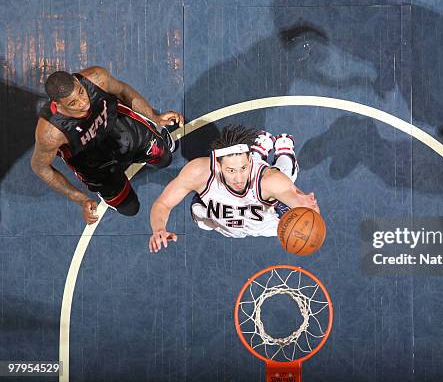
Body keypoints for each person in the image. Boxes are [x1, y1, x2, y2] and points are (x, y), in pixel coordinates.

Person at [31, 66, 184, 224]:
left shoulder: (97, 78)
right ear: (58, 104)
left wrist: (155, 116)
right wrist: (80, 199)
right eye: (73, 103)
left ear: (77, 80)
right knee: (130, 209)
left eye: (81, 92)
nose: (84, 103)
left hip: (119, 126)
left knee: (164, 158)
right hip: (90, 158)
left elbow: (123, 91)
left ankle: (157, 132)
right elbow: (40, 167)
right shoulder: (51, 133)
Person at [148, 125, 319, 253]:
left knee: (286, 176)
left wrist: (307, 208)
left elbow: (298, 201)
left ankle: (285, 150)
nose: (238, 178)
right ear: (217, 164)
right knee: (199, 214)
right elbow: (163, 204)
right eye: (231, 170)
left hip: (266, 224)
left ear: (250, 161)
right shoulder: (199, 172)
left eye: (243, 168)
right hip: (221, 222)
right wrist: (159, 229)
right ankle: (260, 149)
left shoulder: (270, 181)